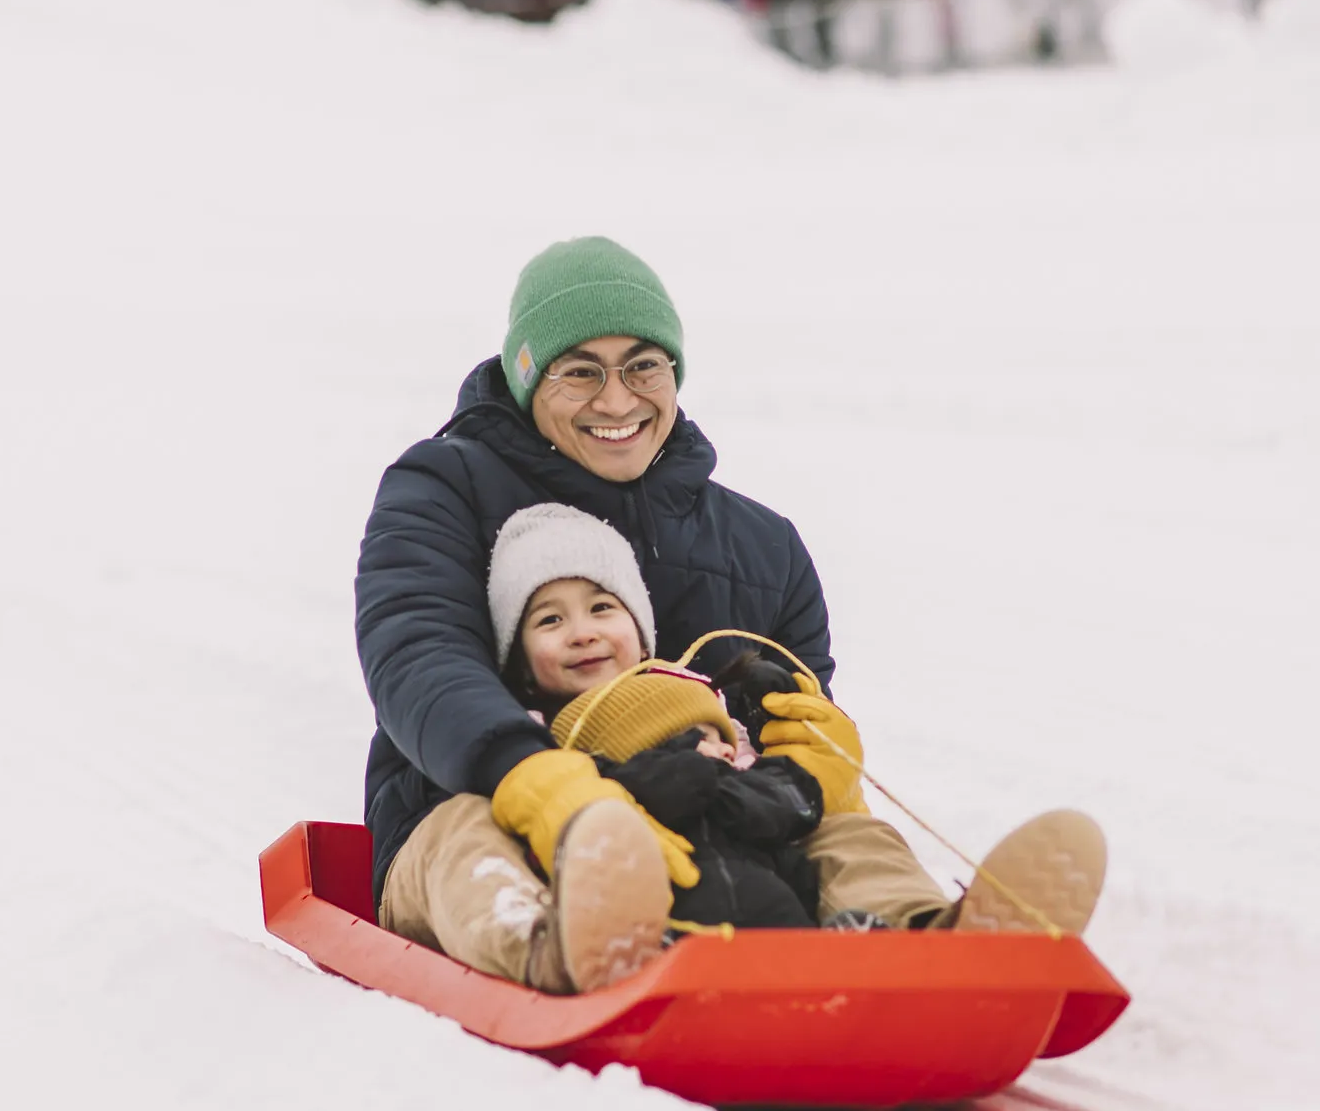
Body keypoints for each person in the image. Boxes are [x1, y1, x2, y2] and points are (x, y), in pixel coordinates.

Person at [357, 238, 1108, 990]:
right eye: (579, 370)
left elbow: (789, 701)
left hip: (712, 834)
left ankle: (923, 942)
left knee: (845, 833)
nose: (617, 401)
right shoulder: (442, 486)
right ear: (525, 379)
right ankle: (557, 944)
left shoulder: (763, 546)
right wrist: (528, 776)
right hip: (478, 812)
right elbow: (419, 655)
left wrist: (812, 763)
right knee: (466, 833)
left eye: (643, 366)